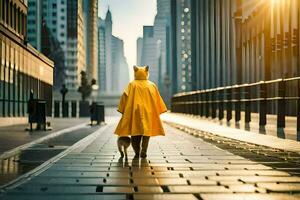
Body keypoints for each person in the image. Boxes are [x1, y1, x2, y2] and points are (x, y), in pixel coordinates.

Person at [115, 65, 167, 158]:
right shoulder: (152, 85)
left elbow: (124, 97)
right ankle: (144, 150)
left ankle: (137, 151)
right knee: (146, 133)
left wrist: (122, 110)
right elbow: (157, 98)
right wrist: (159, 110)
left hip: (134, 113)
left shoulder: (132, 85)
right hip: (148, 113)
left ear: (135, 72)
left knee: (135, 134)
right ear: (147, 72)